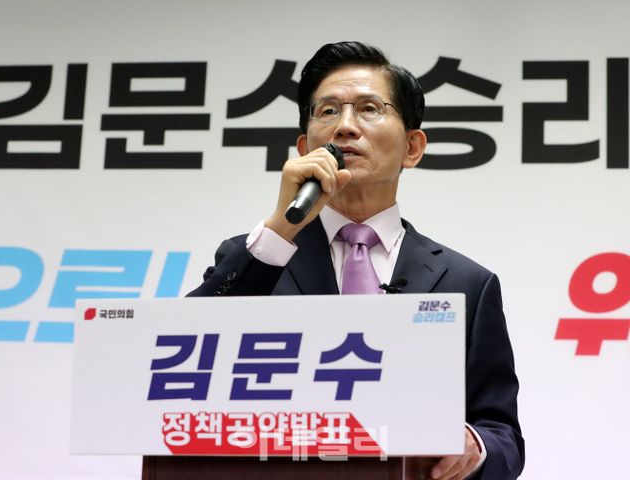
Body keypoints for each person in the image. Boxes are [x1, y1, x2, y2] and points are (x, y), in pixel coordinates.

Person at [188, 41, 524, 480]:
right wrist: (281, 228)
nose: (345, 127)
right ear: (304, 148)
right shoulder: (260, 255)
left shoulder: (467, 284)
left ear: (413, 147)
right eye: (328, 111)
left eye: (369, 109)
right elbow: (184, 355)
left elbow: (502, 435)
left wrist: (473, 447)